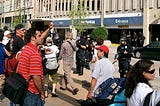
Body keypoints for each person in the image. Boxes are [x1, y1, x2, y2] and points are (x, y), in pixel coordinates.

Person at [17, 23, 53, 106]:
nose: (41, 38)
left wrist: (48, 29)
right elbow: (36, 76)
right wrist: (42, 92)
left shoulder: (25, 48)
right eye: (39, 36)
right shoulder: (34, 53)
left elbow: (19, 68)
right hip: (32, 92)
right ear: (33, 38)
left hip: (24, 88)